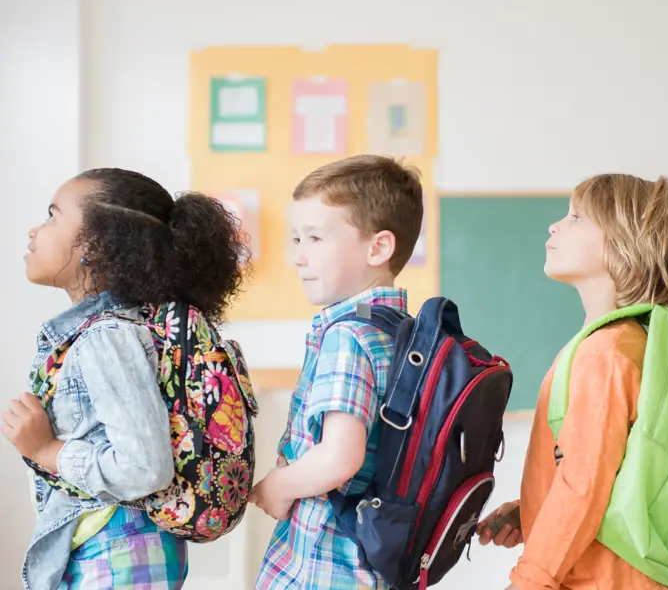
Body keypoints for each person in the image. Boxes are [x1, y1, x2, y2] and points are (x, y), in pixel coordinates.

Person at [3, 168, 246, 589]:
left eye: (52, 215)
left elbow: (144, 468)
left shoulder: (106, 337)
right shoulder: (113, 330)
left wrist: (46, 450)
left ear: (96, 244)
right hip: (120, 550)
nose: (34, 230)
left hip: (117, 557)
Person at [477, 173, 668, 590]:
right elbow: (617, 477)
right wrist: (532, 510)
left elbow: (584, 486)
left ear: (625, 245)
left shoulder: (604, 353)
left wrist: (530, 581)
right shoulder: (640, 342)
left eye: (576, 217)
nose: (555, 226)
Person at [252, 155, 424, 590]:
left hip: (324, 565)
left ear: (377, 248)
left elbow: (339, 458)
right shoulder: (402, 332)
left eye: (315, 238)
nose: (298, 257)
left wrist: (276, 486)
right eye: (297, 238)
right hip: (371, 562)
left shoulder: (348, 336)